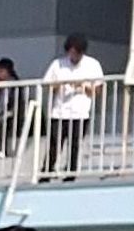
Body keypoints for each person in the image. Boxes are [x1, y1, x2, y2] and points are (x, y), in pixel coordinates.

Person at [41, 33, 103, 182]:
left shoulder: (92, 64)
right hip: (59, 111)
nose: (73, 55)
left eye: (76, 52)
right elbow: (49, 84)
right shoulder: (58, 64)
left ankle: (71, 172)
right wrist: (61, 84)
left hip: (80, 112)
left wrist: (82, 86)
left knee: (75, 143)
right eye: (71, 52)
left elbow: (97, 90)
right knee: (55, 142)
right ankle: (47, 171)